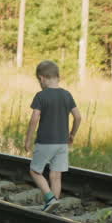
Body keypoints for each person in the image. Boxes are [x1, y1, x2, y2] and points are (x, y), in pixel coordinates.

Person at [24, 60, 82, 212]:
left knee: (35, 171)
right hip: (62, 142)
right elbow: (78, 117)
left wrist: (28, 139)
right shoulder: (67, 95)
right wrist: (72, 134)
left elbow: (34, 118)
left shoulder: (41, 96)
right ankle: (53, 206)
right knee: (56, 175)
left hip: (45, 142)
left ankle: (50, 198)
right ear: (58, 77)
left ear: (42, 78)